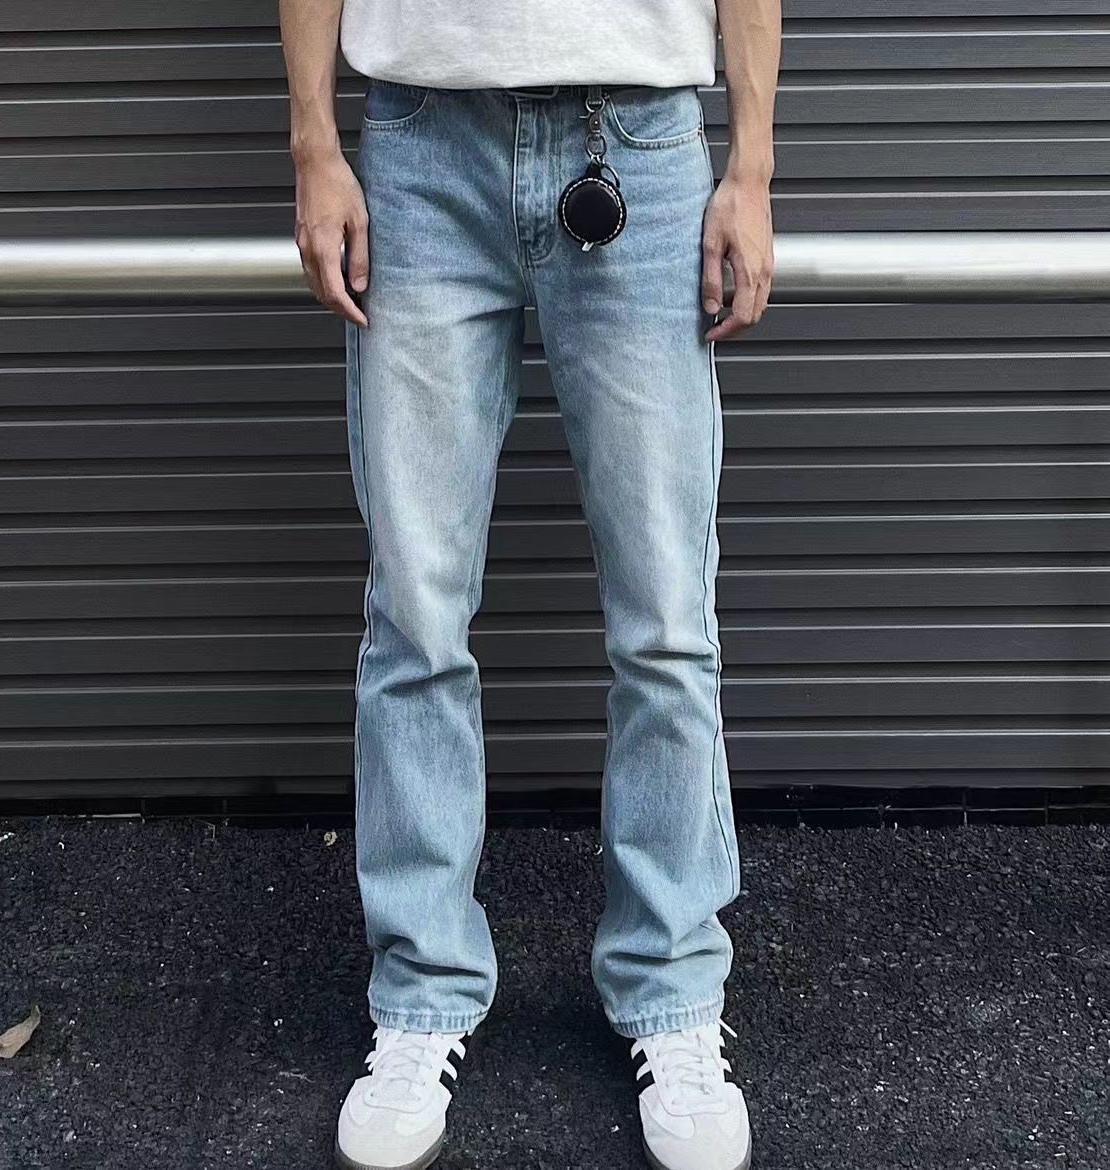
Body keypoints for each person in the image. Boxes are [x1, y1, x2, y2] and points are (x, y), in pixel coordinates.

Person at [279, 1, 779, 1166]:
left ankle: (672, 988)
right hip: (420, 150)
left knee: (666, 621)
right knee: (415, 616)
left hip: (639, 144)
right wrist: (314, 145)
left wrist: (751, 168)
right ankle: (422, 993)